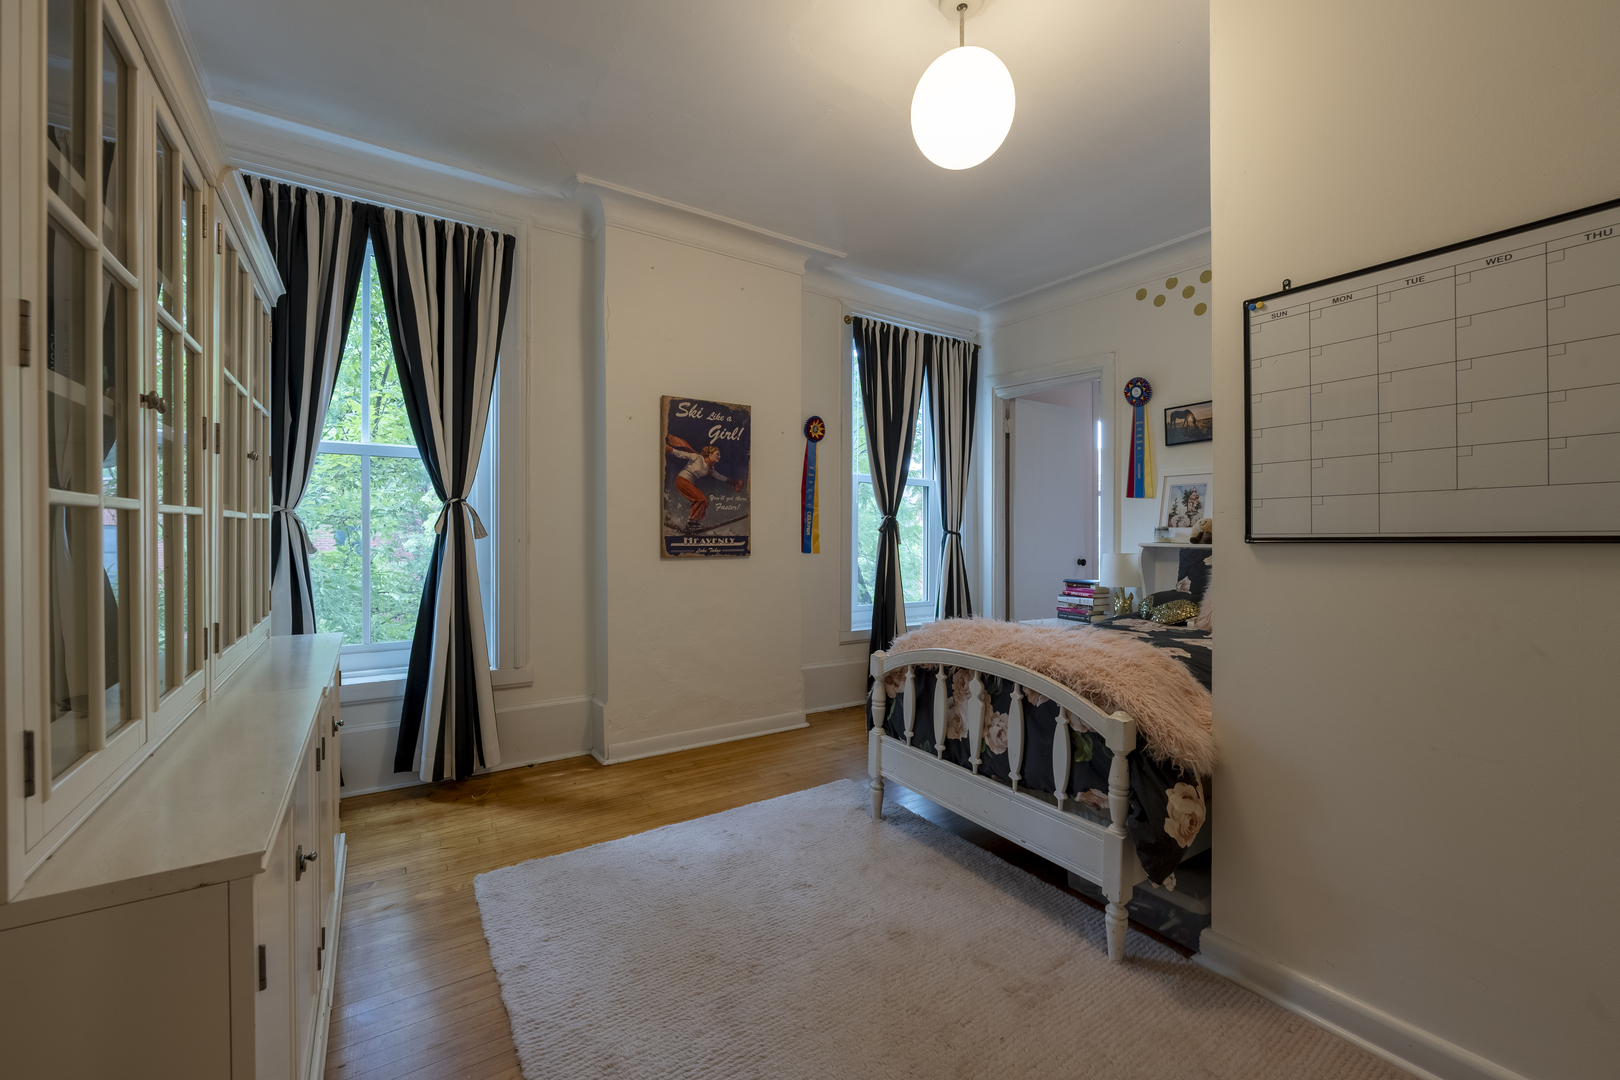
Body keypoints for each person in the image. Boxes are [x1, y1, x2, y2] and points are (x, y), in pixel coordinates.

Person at [666, 435, 743, 532]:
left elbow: (718, 476)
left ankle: (695, 523)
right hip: (682, 479)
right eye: (717, 454)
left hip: (688, 482)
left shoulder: (710, 468)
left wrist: (730, 481)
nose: (719, 456)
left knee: (704, 501)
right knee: (700, 499)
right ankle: (692, 523)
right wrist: (670, 449)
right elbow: (682, 454)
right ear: (710, 454)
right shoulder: (698, 458)